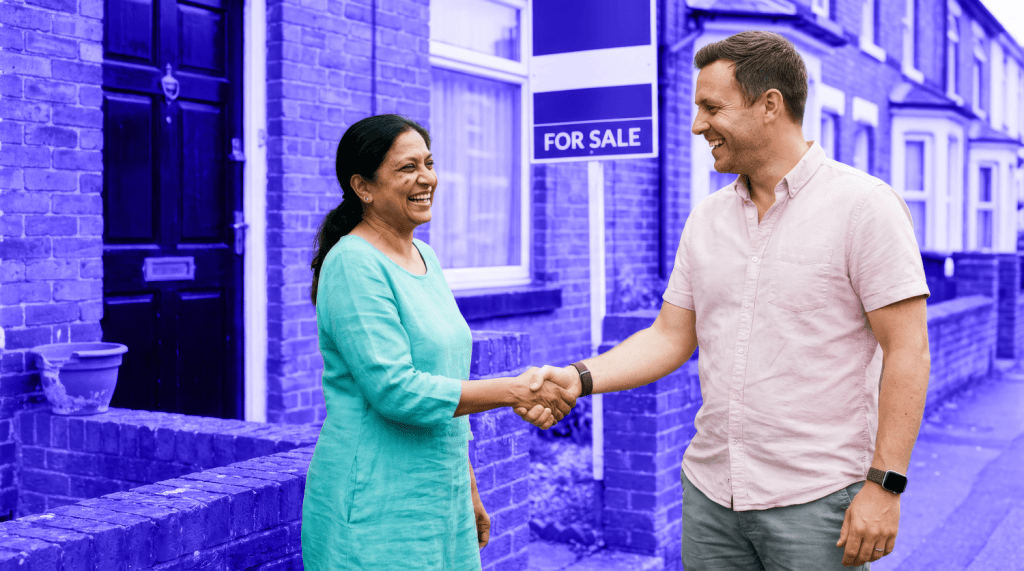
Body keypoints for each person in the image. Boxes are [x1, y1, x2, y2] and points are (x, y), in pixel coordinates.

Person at [520, 31, 930, 570]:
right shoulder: (707, 218)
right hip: (712, 497)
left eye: (712, 108)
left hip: (818, 502)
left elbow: (908, 351)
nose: (697, 125)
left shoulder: (864, 207)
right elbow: (670, 336)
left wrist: (885, 485)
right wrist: (580, 377)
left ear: (770, 105)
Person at [302, 114, 576, 570]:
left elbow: (445, 382)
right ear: (363, 187)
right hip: (375, 499)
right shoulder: (352, 263)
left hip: (439, 494)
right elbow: (396, 390)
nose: (426, 178)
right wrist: (516, 391)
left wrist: (466, 486)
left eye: (428, 163)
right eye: (407, 168)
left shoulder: (424, 255)